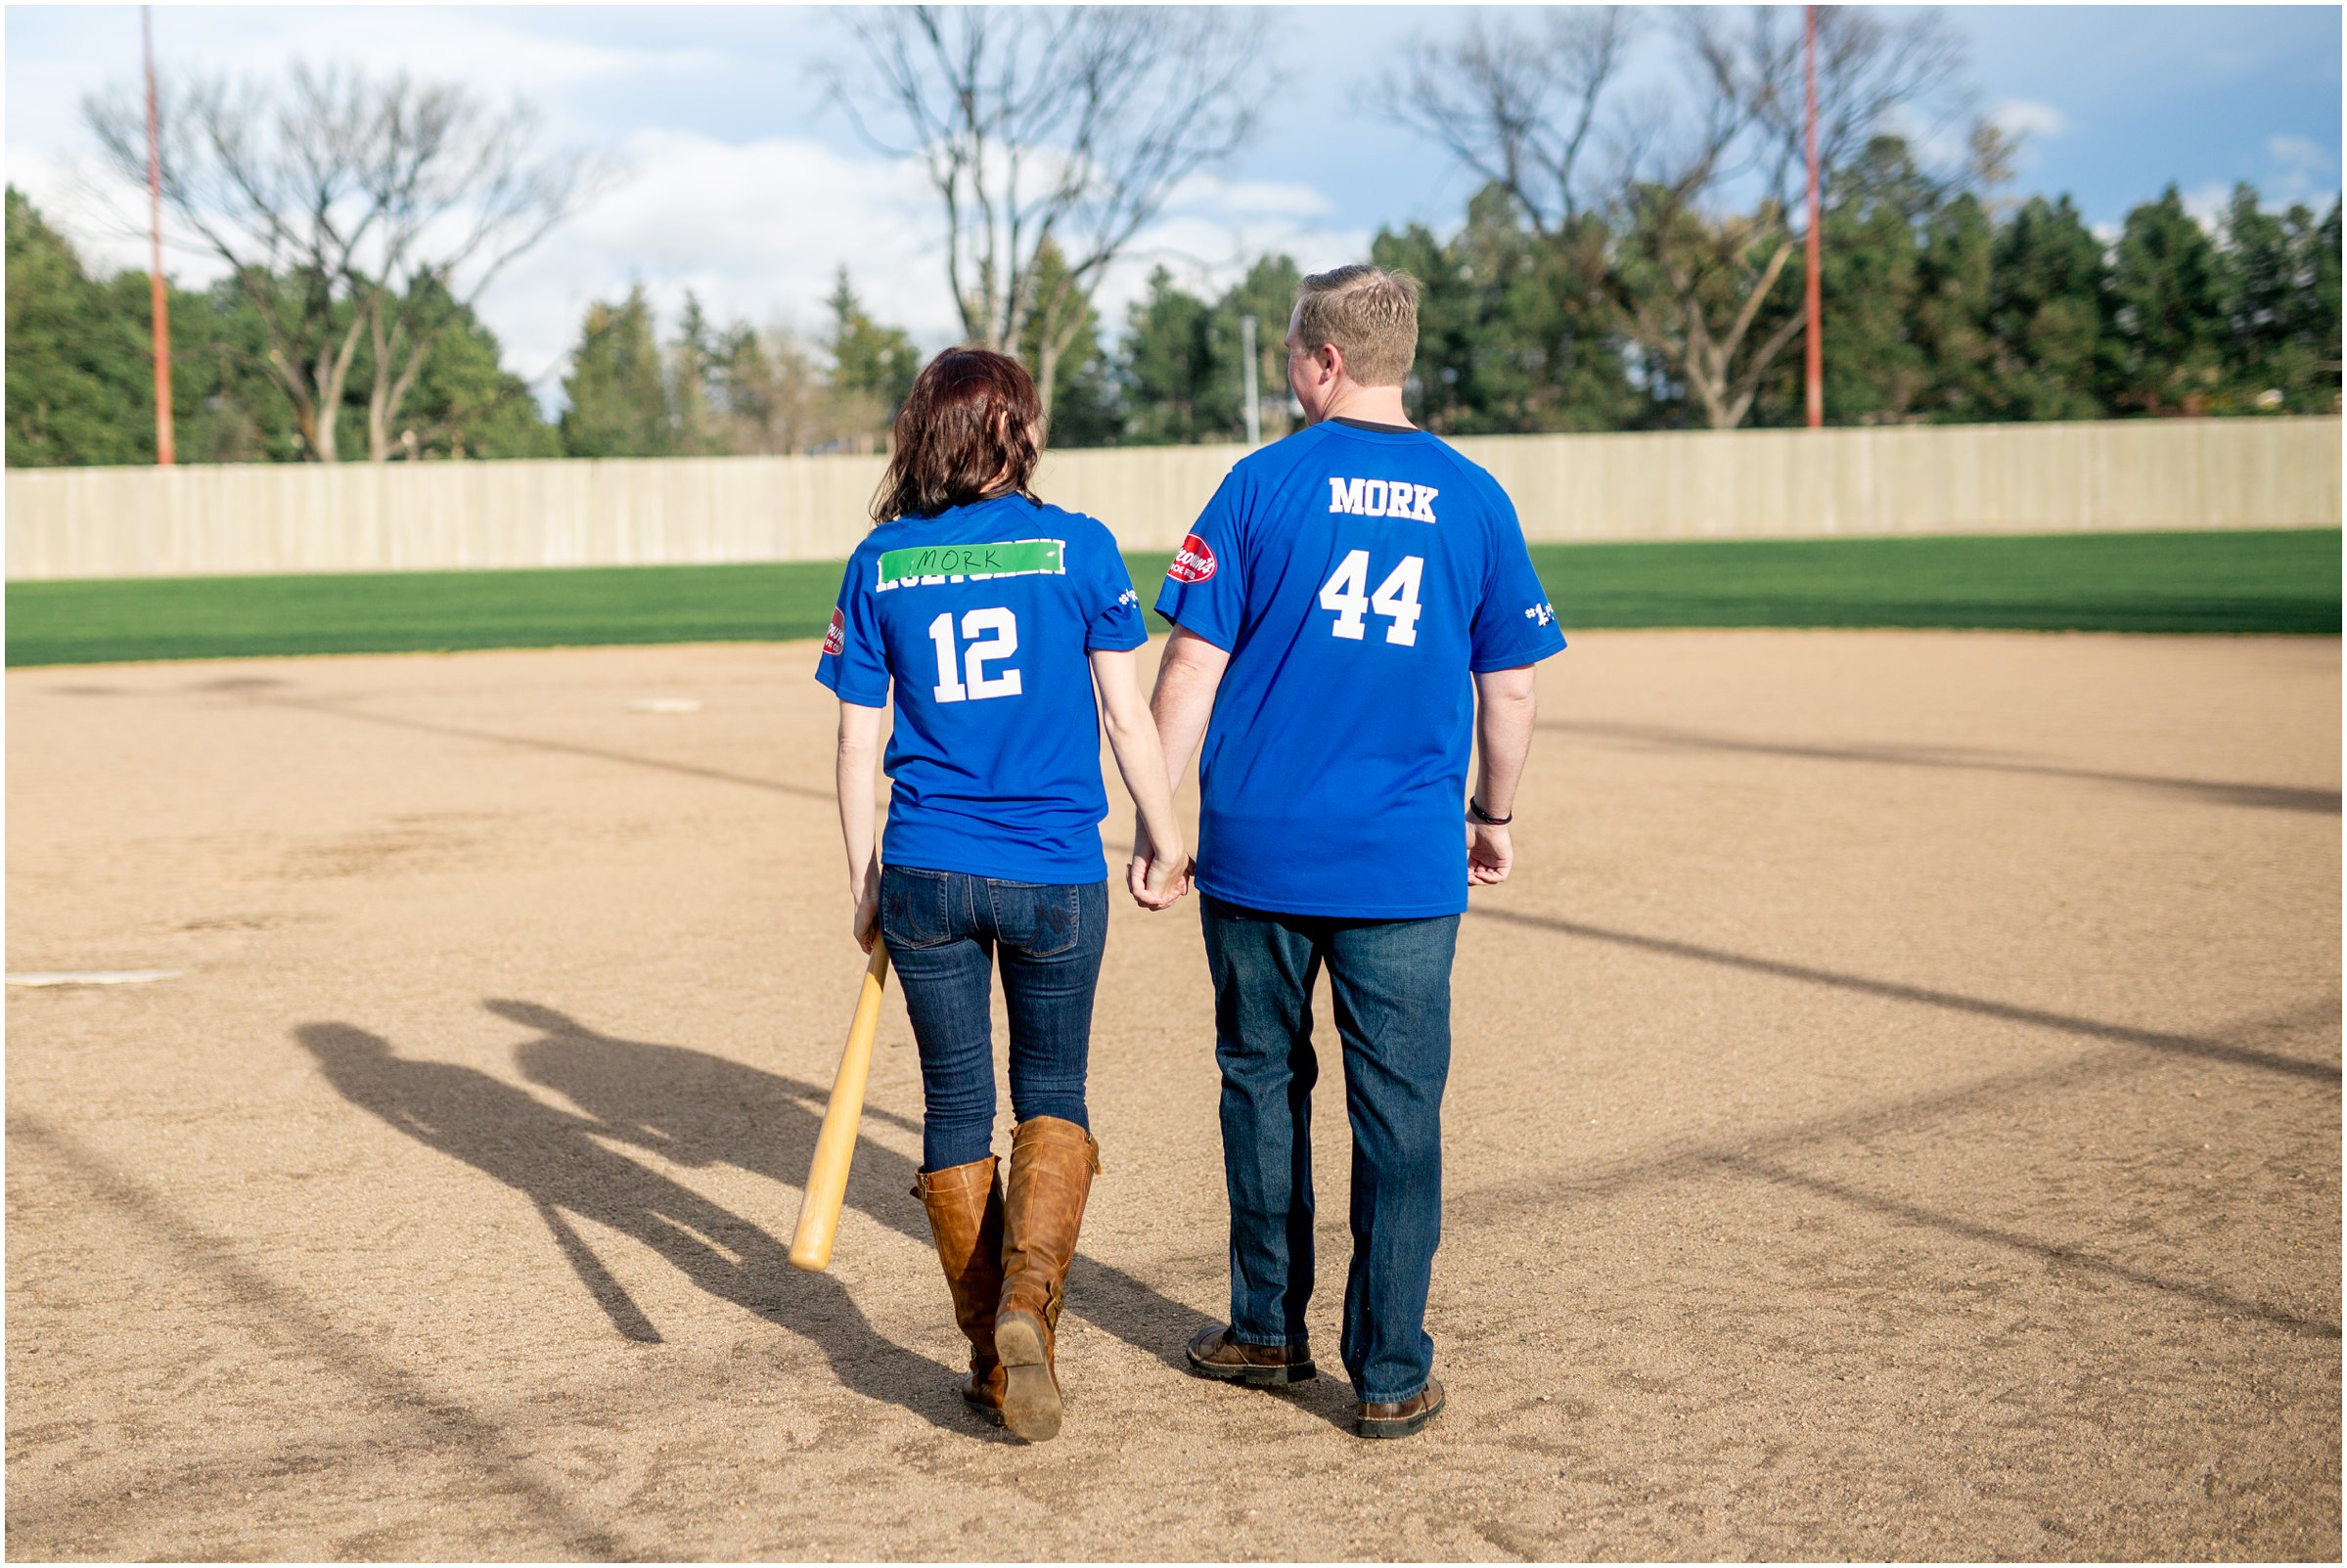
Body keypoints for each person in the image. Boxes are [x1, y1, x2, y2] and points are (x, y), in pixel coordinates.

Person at [1142, 265, 1566, 1439]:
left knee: (1261, 1086)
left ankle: (1264, 1325)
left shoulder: (1256, 484)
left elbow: (1189, 666)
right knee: (1398, 1115)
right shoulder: (1475, 495)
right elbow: (1511, 691)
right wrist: (1493, 815)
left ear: (1324, 361)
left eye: (1293, 353)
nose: (1290, 370)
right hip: (1401, 863)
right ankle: (1386, 1371)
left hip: (1257, 855)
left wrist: (1155, 820)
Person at [819, 348, 1191, 1443]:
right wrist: (1165, 839)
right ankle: (1028, 1307)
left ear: (921, 435)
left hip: (928, 867)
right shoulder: (1076, 544)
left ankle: (989, 1353)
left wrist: (863, 881)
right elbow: (1128, 719)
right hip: (1052, 872)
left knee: (951, 1107)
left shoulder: (879, 559)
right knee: (1051, 1096)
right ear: (1017, 432)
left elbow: (855, 742)